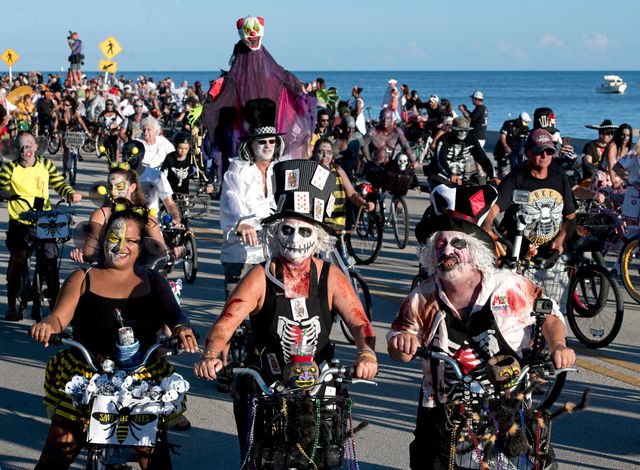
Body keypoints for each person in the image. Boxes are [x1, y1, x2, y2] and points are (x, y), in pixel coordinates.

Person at [194, 159, 377, 457]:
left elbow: (360, 323)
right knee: (258, 455)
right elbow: (225, 324)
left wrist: (366, 352)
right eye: (288, 230)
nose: (295, 239)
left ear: (317, 238)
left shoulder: (330, 275)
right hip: (267, 386)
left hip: (319, 385)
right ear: (276, 232)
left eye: (305, 232)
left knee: (326, 455)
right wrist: (211, 355)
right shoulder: (259, 276)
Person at [389, 183, 575, 469]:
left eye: (457, 244)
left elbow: (549, 314)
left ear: (475, 251)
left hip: (506, 402)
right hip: (442, 407)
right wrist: (402, 343)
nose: (447, 250)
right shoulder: (423, 295)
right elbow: (399, 339)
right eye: (440, 244)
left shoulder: (508, 285)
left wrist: (558, 344)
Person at [30, 204, 198, 470]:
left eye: (130, 240)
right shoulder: (82, 277)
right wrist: (48, 325)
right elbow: (59, 317)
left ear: (141, 245)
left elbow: (176, 315)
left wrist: (181, 329)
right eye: (114, 237)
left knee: (153, 454)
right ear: (103, 238)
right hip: (87, 374)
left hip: (141, 378)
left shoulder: (154, 280)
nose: (121, 246)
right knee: (58, 451)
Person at [0, 132, 82, 321]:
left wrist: (71, 194)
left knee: (51, 259)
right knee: (18, 258)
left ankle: (54, 301)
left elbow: (59, 183)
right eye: (21, 147)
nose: (25, 151)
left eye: (28, 146)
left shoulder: (45, 165)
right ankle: (12, 305)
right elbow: (0, 187)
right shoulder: (10, 168)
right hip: (20, 221)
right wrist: (6, 195)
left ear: (36, 147)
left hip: (44, 219)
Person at [219, 98, 282, 298]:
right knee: (236, 311)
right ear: (251, 144)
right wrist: (243, 222)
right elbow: (231, 197)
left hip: (274, 250)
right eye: (262, 142)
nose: (267, 146)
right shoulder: (238, 169)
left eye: (272, 141)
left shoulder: (281, 168)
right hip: (242, 251)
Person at [481, 129, 577, 259]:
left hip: (550, 252)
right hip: (517, 251)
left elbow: (570, 217)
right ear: (527, 152)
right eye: (539, 151)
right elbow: (494, 208)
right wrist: (487, 227)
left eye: (549, 151)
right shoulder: (516, 177)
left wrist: (560, 240)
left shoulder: (560, 178)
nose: (544, 155)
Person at [312, 138, 374, 234]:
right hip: (314, 225)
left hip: (336, 224)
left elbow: (352, 194)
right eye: (321, 152)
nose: (325, 156)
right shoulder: (308, 170)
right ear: (314, 153)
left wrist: (364, 203)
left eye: (329, 152)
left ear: (332, 155)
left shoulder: (338, 170)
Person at [429, 116, 495, 186]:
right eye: (460, 130)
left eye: (465, 130)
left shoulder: (472, 140)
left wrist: (493, 176)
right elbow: (440, 159)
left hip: (459, 179)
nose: (463, 133)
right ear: (453, 130)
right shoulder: (444, 140)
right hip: (440, 177)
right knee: (447, 195)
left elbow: (483, 159)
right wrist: (450, 174)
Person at [592, 123, 633, 195]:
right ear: (618, 134)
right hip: (605, 176)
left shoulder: (629, 149)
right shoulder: (613, 146)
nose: (625, 137)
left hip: (620, 177)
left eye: (628, 135)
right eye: (622, 134)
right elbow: (612, 166)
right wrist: (614, 182)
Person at [493, 112, 530, 176]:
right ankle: (500, 178)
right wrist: (505, 146)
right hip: (503, 148)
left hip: (515, 149)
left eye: (527, 123)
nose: (525, 124)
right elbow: (503, 136)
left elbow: (524, 141)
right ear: (520, 119)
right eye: (524, 122)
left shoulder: (525, 128)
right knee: (501, 167)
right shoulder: (508, 124)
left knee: (515, 165)